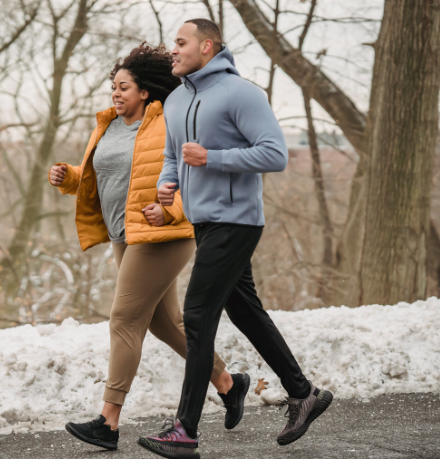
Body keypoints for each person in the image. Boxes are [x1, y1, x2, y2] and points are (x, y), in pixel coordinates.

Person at [137, 20, 333, 459]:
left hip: (236, 219)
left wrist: (212, 158)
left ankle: (185, 430)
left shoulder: (241, 93)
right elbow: (172, 155)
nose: (173, 50)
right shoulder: (177, 99)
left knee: (197, 314)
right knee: (244, 310)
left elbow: (275, 154)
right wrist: (168, 183)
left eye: (181, 43)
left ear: (207, 46)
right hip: (202, 221)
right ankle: (303, 394)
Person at [48, 43, 248, 452]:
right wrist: (69, 177)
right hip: (126, 235)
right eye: (113, 87)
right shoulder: (107, 125)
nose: (116, 93)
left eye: (124, 87)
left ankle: (108, 421)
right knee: (164, 324)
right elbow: (102, 175)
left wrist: (170, 211)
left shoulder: (167, 124)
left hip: (165, 235)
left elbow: (193, 178)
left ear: (144, 92)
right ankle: (228, 383)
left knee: (123, 319)